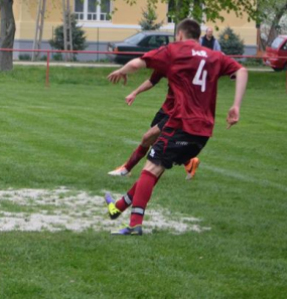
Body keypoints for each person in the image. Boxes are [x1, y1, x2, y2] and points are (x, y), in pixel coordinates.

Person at [105, 18, 248, 235]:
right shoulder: (214, 56)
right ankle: (118, 207)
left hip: (181, 124)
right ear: (199, 36)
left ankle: (134, 224)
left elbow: (136, 64)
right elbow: (242, 71)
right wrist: (235, 106)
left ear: (180, 35)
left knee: (150, 168)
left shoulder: (174, 51)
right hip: (204, 132)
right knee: (155, 169)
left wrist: (122, 71)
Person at [108, 71, 200, 180]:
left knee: (148, 137)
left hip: (177, 112)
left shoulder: (190, 65)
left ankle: (125, 170)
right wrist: (135, 92)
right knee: (154, 141)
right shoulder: (169, 62)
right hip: (166, 108)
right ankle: (189, 162)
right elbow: (153, 79)